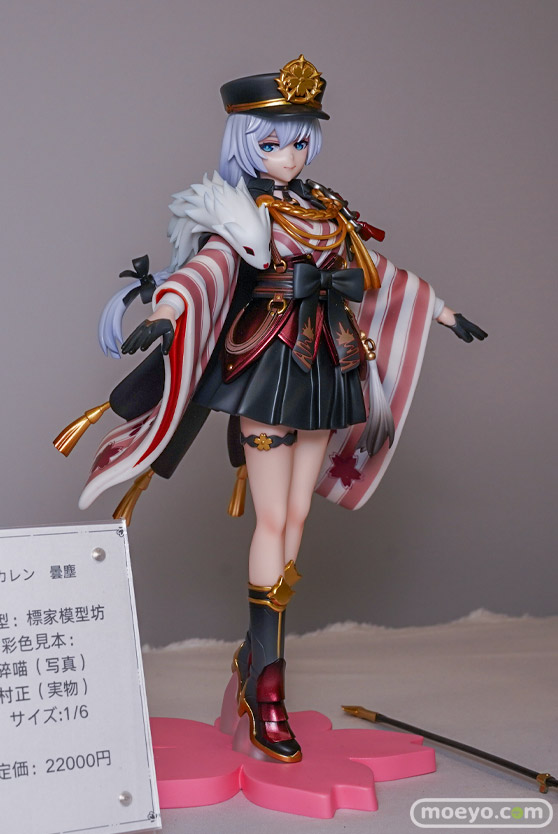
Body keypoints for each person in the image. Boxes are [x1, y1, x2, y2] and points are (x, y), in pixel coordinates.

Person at [55, 55, 486, 764]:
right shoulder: (240, 210)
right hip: (266, 366)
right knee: (273, 518)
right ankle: (267, 682)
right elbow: (208, 269)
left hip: (329, 361)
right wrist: (166, 312)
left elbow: (376, 272)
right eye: (272, 142)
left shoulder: (324, 206)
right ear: (244, 142)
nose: (289, 154)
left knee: (298, 518)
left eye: (299, 140)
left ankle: (255, 660)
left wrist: (441, 310)